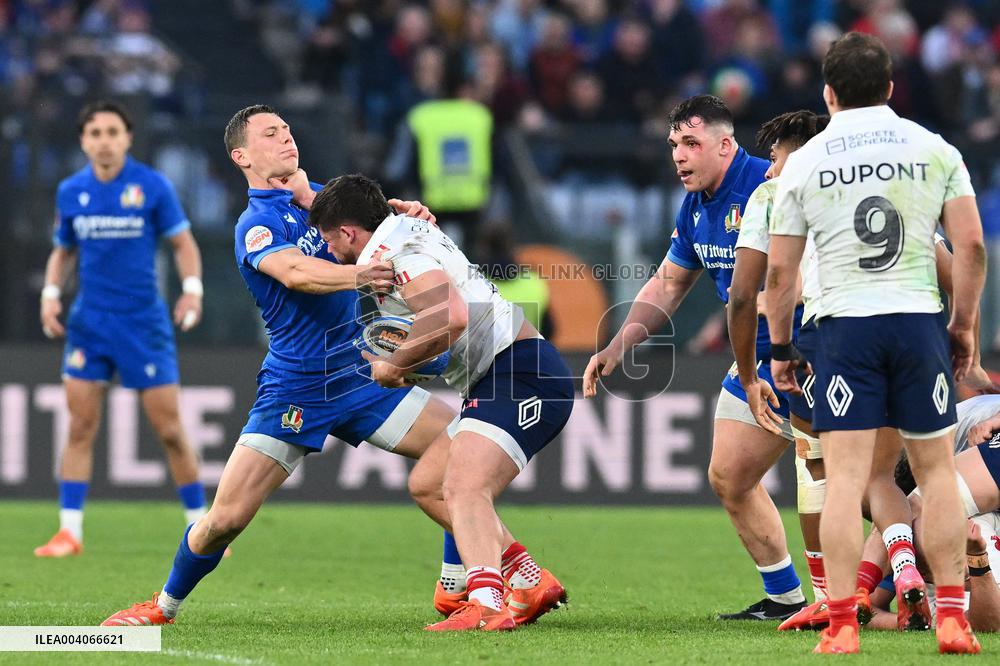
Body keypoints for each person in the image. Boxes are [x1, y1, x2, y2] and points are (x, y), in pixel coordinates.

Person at [99, 104, 463, 627]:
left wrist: (408, 220)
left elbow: (369, 227)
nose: (288, 139)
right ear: (242, 156)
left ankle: (456, 586)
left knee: (459, 453)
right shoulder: (257, 224)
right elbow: (294, 272)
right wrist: (362, 276)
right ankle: (162, 606)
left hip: (357, 370)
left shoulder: (317, 200)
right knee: (224, 521)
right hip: (296, 389)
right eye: (272, 134)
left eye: (289, 130)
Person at [765, 32, 986, 654]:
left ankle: (840, 624)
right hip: (916, 322)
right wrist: (963, 325)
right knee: (936, 474)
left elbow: (781, 274)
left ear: (828, 93)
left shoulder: (807, 160)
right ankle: (951, 616)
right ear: (891, 88)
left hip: (845, 331)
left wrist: (780, 349)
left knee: (845, 478)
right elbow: (969, 247)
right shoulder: (933, 147)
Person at [309, 173, 574, 632]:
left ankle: (486, 604)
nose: (331, 251)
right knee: (429, 484)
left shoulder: (394, 255)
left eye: (331, 239)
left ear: (349, 232)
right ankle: (527, 581)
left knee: (465, 488)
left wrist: (396, 365)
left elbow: (450, 316)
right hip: (501, 373)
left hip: (520, 373)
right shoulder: (407, 225)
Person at [583, 94, 808, 621]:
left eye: (691, 143)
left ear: (725, 145)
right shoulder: (695, 207)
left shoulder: (768, 185)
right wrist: (617, 345)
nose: (679, 156)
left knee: (858, 483)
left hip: (808, 349)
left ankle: (913, 582)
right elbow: (667, 286)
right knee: (730, 476)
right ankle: (785, 598)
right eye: (674, 145)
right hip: (753, 358)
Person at [35, 100, 209, 558]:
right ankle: (68, 532)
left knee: (169, 429)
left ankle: (203, 527)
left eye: (113, 131)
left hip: (142, 324)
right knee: (79, 426)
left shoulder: (152, 186)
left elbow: (182, 241)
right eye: (95, 133)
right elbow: (64, 250)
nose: (104, 140)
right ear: (83, 141)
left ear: (128, 139)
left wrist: (192, 289)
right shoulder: (71, 191)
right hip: (89, 324)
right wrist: (51, 294)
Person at [727, 109, 830, 602]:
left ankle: (833, 601)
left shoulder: (773, 195)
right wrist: (962, 331)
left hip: (820, 342)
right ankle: (928, 589)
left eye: (775, 156)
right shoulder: (886, 180)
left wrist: (776, 355)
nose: (769, 169)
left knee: (824, 469)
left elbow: (753, 293)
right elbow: (954, 262)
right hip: (910, 337)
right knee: (900, 476)